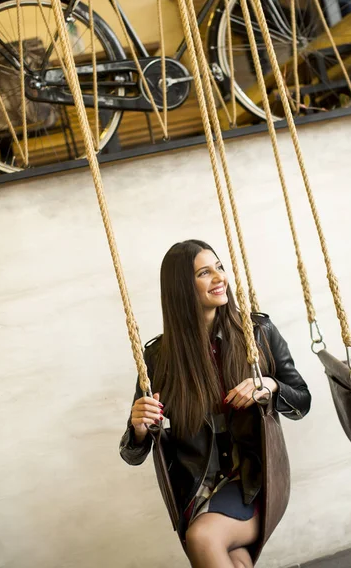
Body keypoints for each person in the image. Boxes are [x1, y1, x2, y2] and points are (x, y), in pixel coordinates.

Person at [120, 240, 311, 568]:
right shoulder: (159, 358)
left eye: (219, 267)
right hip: (197, 487)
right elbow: (132, 453)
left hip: (255, 481)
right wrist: (137, 429)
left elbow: (301, 401)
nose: (219, 277)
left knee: (203, 538)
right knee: (234, 561)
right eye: (204, 273)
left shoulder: (257, 333)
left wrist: (270, 386)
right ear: (182, 287)